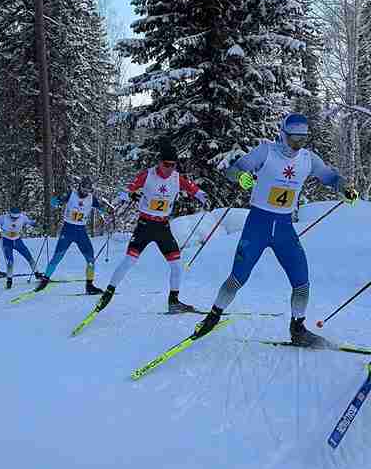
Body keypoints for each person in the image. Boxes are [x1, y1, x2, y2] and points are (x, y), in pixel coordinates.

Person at [192, 113, 358, 347]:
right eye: (293, 140)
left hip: (284, 229)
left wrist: (345, 187)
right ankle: (212, 317)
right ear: (283, 135)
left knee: (302, 281)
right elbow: (232, 170)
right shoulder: (266, 151)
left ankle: (298, 328)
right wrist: (241, 177)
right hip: (257, 225)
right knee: (238, 278)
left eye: (302, 139)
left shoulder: (308, 159)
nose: (297, 145)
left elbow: (330, 177)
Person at [96, 140, 209, 314]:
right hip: (145, 225)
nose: (169, 168)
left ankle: (174, 302)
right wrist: (128, 195)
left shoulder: (177, 178)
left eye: (173, 165)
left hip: (163, 227)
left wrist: (203, 196)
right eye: (166, 164)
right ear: (159, 162)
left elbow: (194, 190)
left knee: (177, 265)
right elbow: (126, 190)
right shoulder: (147, 175)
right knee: (129, 261)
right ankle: (108, 294)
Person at [36, 176, 105, 295]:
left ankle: (89, 286)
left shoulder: (91, 198)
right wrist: (55, 202)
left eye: (88, 190)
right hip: (68, 230)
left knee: (90, 259)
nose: (85, 192)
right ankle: (45, 280)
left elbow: (100, 208)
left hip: (81, 232)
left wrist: (105, 210)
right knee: (57, 257)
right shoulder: (71, 194)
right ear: (80, 186)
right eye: (84, 189)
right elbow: (56, 201)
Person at [0, 207, 42, 289]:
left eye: (16, 218)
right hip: (6, 241)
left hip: (17, 240)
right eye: (12, 217)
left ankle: (37, 274)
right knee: (10, 261)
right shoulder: (3, 218)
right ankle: (9, 280)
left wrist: (38, 224)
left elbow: (31, 223)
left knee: (28, 256)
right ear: (10, 214)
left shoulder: (23, 217)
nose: (14, 219)